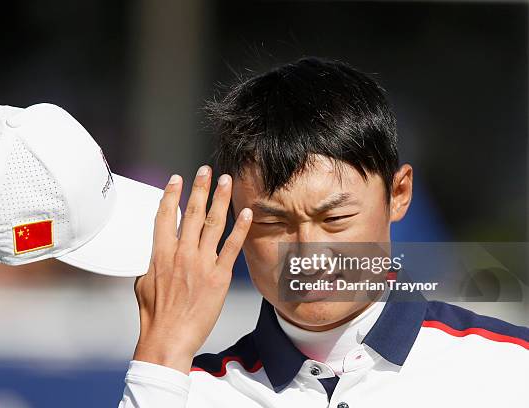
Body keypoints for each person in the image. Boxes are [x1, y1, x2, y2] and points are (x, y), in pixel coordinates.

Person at [120, 57, 529, 407]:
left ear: (398, 194)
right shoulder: (182, 389)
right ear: (233, 220)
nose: (308, 253)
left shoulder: (509, 369)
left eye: (335, 219)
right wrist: (160, 353)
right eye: (273, 223)